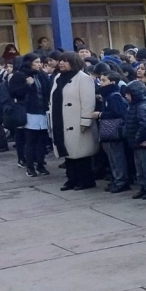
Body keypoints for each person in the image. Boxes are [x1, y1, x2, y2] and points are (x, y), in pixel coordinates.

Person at [49, 51, 99, 190]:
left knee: (80, 152)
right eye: (60, 61)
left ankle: (85, 180)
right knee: (67, 151)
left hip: (76, 121)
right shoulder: (58, 77)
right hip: (61, 119)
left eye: (65, 61)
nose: (61, 63)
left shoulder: (83, 78)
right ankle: (71, 179)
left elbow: (88, 102)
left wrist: (85, 121)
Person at [121, 80, 146, 200]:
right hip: (137, 143)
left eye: (129, 94)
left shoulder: (141, 107)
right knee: (140, 168)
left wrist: (139, 138)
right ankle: (144, 187)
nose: (126, 96)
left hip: (144, 143)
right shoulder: (134, 106)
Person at [13, 53, 52, 176]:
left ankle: (40, 164)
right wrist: (27, 84)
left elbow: (48, 91)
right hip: (29, 112)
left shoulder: (42, 75)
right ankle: (30, 167)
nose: (39, 64)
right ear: (29, 63)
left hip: (42, 111)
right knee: (30, 141)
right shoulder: (20, 75)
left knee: (42, 140)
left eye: (40, 62)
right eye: (36, 62)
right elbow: (13, 93)